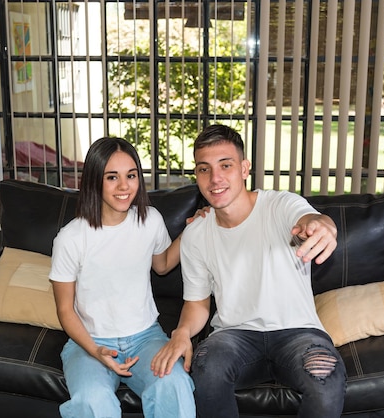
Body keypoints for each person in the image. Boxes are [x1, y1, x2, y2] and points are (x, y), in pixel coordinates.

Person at [151, 124, 347, 417]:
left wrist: (324, 227)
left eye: (225, 165)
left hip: (298, 333)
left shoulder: (280, 205)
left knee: (325, 376)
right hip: (234, 336)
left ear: (244, 168)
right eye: (204, 169)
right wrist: (181, 332)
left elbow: (311, 219)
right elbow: (197, 303)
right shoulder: (196, 234)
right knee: (206, 370)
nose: (215, 178)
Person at [49, 137, 196, 418]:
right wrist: (94, 350)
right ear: (94, 181)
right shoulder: (71, 238)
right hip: (89, 341)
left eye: (131, 176)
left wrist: (195, 226)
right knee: (92, 401)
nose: (124, 186)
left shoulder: (149, 220)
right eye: (112, 177)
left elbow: (163, 265)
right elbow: (65, 309)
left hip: (146, 338)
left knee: (174, 385)